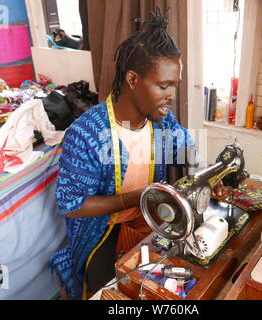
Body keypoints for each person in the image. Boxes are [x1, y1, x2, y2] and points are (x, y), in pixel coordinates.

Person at [50, 8, 199, 300]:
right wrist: (138, 197)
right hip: (102, 233)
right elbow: (72, 205)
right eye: (163, 85)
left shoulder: (161, 119)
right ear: (132, 80)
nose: (171, 95)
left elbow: (184, 142)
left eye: (175, 86)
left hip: (147, 221)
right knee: (120, 294)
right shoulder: (87, 134)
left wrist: (199, 171)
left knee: (179, 283)